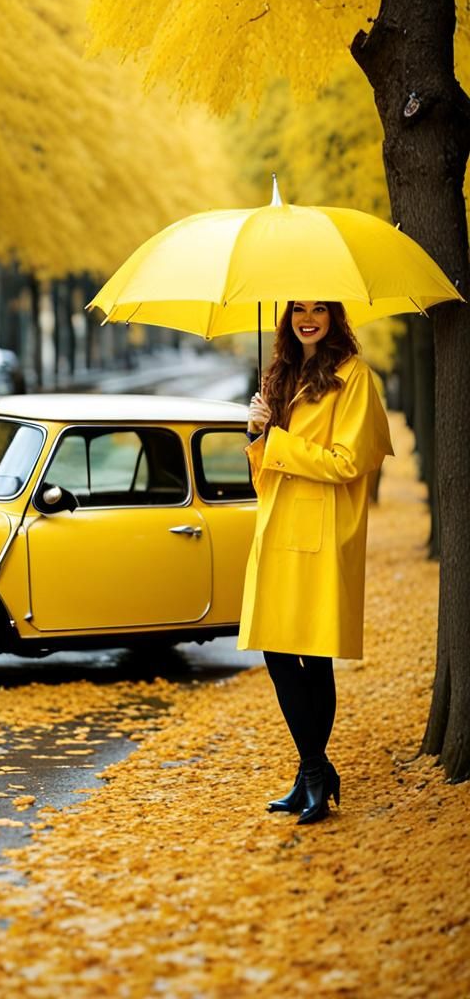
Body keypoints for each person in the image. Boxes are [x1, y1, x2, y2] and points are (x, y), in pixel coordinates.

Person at [239, 300, 393, 825]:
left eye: (318, 309)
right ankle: (315, 772)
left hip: (322, 530)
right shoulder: (282, 373)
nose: (308, 318)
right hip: (278, 525)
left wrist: (277, 441)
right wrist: (257, 435)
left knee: (313, 653)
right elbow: (266, 476)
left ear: (334, 315)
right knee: (277, 652)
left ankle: (312, 778)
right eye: (298, 310)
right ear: (287, 319)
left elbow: (349, 461)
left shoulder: (355, 378)